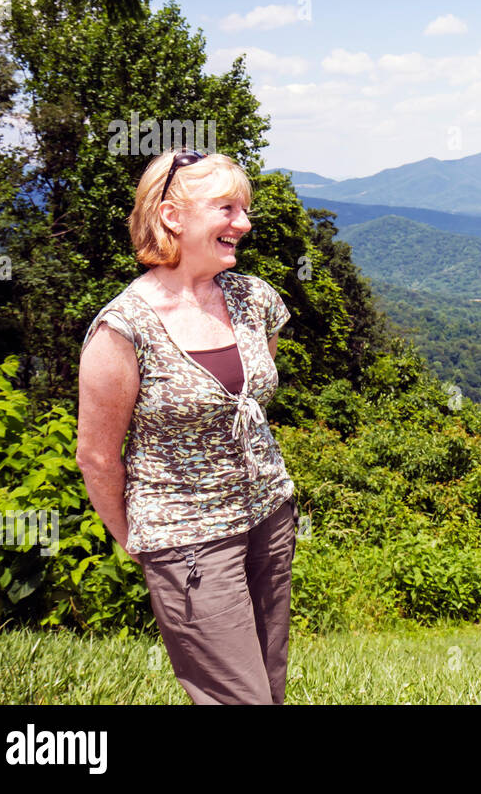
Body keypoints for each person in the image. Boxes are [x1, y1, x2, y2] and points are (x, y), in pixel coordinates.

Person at [75, 148, 298, 705]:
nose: (243, 224)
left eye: (243, 209)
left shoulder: (254, 299)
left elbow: (254, 398)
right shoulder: (124, 327)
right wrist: (141, 541)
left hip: (270, 517)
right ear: (173, 216)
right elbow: (97, 457)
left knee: (269, 685)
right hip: (189, 540)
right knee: (236, 697)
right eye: (226, 208)